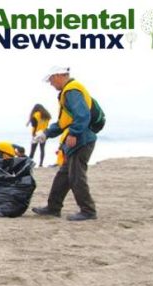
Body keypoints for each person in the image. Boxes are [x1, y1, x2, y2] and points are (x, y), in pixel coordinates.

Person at [31, 66, 98, 221]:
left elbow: (82, 115)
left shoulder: (72, 91)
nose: (50, 83)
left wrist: (74, 132)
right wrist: (46, 133)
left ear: (59, 75)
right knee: (63, 175)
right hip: (78, 139)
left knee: (76, 176)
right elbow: (63, 122)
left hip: (82, 139)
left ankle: (88, 211)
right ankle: (53, 208)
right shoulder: (68, 92)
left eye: (51, 79)